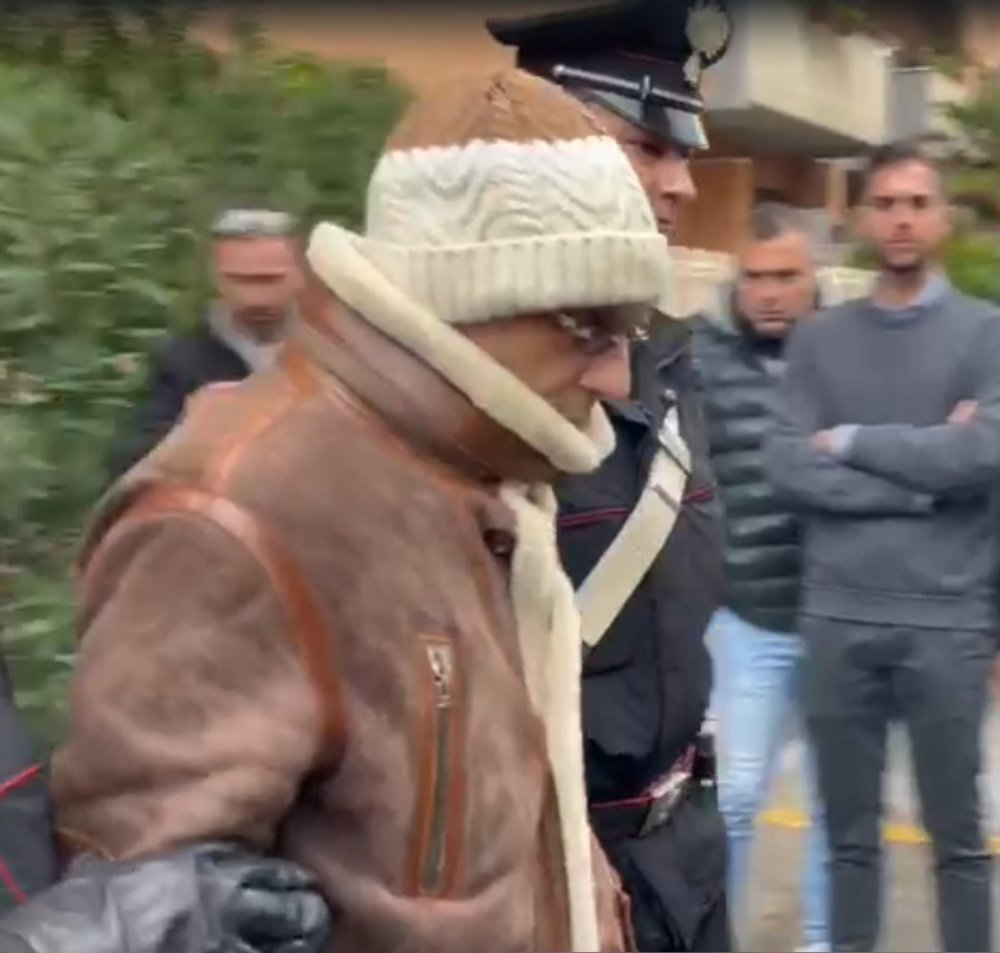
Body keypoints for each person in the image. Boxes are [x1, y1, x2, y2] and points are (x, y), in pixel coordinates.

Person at [43, 69, 675, 953]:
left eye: (632, 329)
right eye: (590, 325)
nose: (617, 376)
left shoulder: (479, 470)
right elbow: (151, 914)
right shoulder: (232, 509)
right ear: (463, 300)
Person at [488, 2, 731, 949]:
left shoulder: (669, 363)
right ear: (545, 152)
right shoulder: (468, 388)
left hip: (689, 857)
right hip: (551, 875)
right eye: (646, 147)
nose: (682, 185)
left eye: (685, 153)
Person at [764, 140, 1000, 952]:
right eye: (887, 203)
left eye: (918, 203)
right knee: (848, 840)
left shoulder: (987, 334)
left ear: (942, 218)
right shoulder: (817, 340)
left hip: (949, 618)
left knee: (958, 839)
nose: (902, 218)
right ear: (863, 217)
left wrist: (854, 440)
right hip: (838, 614)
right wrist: (925, 477)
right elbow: (787, 466)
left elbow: (985, 453)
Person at [693, 203, 829, 953]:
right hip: (746, 620)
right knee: (735, 798)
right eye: (756, 277)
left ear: (815, 278)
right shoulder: (699, 360)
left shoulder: (854, 354)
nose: (771, 293)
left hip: (840, 620)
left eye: (787, 276)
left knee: (840, 806)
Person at [108, 208, 302, 478]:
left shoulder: (333, 352)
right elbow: (133, 462)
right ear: (216, 278)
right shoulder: (181, 361)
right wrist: (200, 432)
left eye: (269, 279)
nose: (256, 298)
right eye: (240, 280)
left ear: (299, 274)